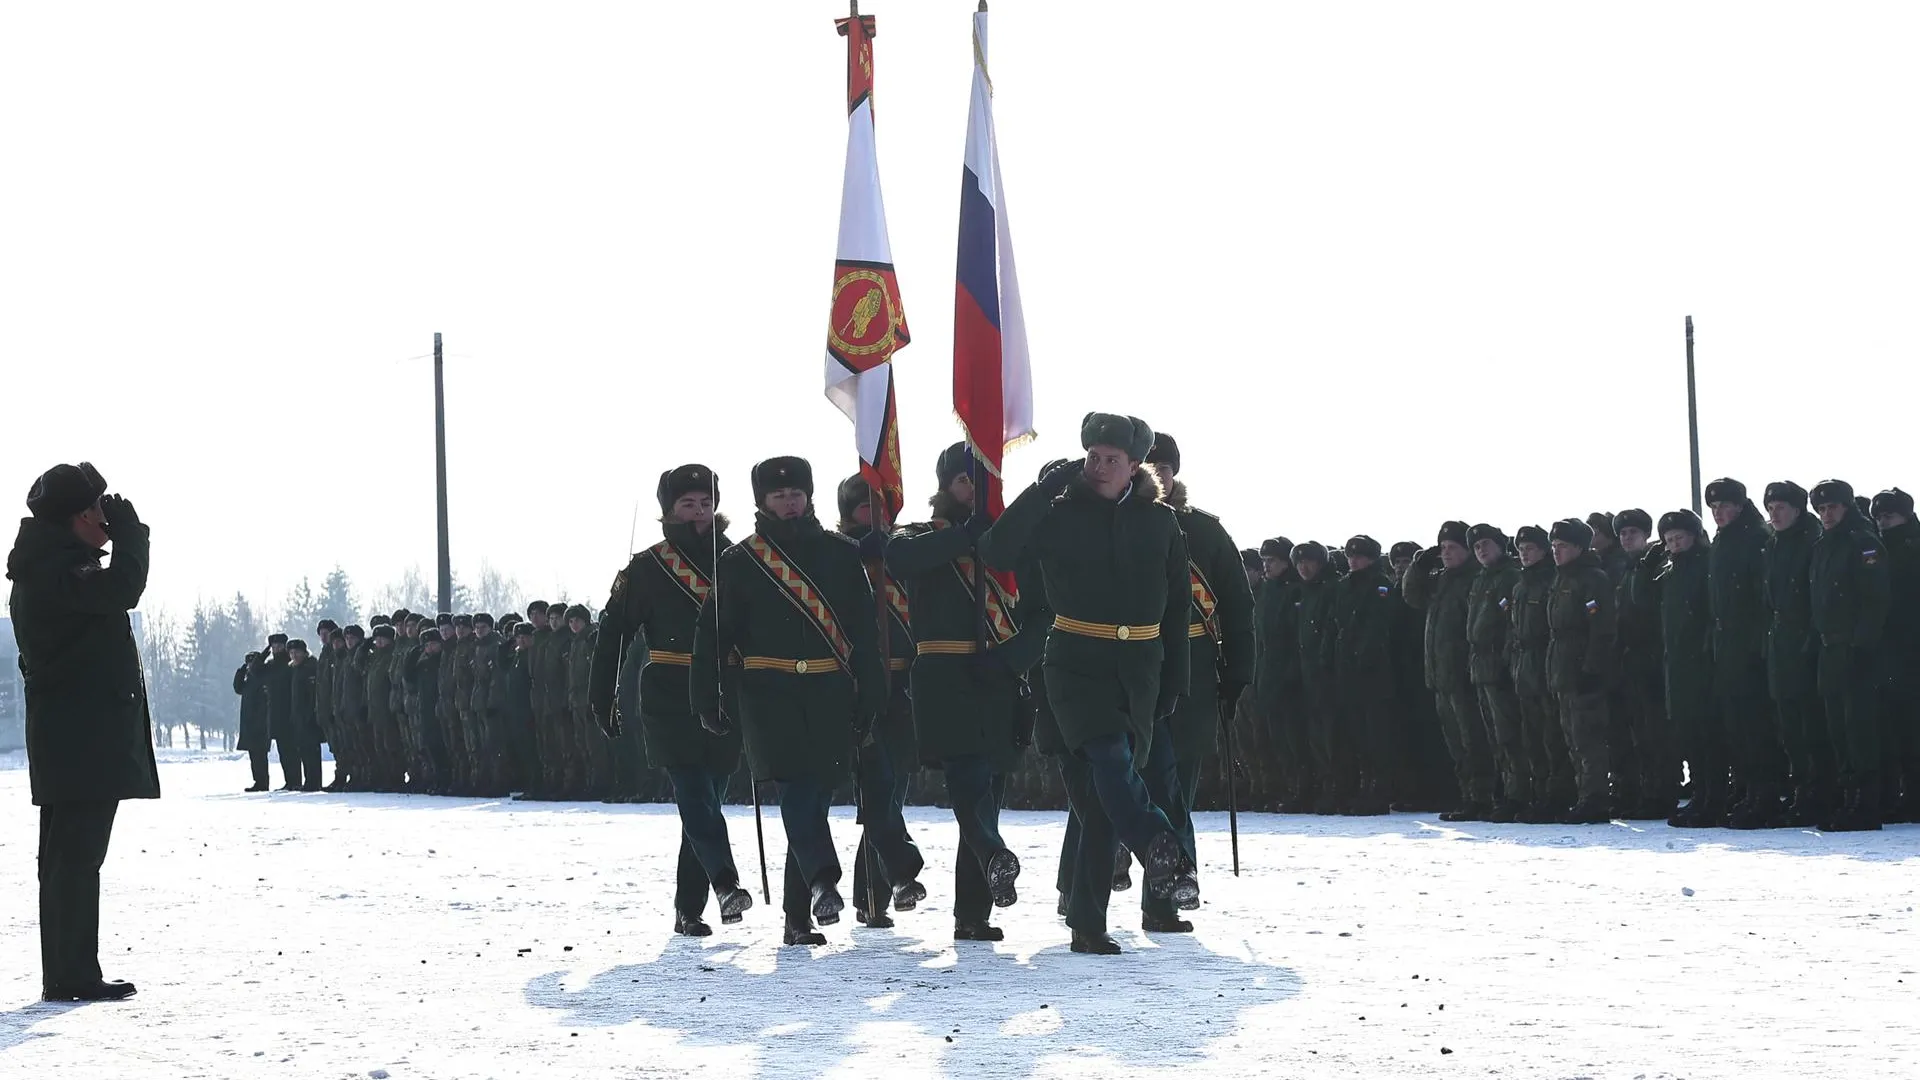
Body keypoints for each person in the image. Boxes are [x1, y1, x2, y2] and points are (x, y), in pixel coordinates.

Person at [977, 413, 1198, 955]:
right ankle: (1156, 842)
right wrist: (1037, 492)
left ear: (1133, 467)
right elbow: (996, 552)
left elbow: (1176, 608)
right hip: (1076, 665)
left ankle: (1087, 922)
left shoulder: (1160, 523)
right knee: (1109, 760)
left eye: (1112, 460)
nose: (1100, 467)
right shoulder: (1058, 514)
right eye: (1093, 456)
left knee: (1100, 803)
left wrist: (1174, 679)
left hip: (1140, 670)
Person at [692, 456, 885, 946]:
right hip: (767, 696)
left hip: (828, 692)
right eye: (778, 495)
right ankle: (824, 880)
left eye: (795, 493)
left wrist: (872, 693)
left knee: (813, 801)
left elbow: (864, 631)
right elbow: (711, 638)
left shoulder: (841, 555)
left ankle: (797, 920)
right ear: (761, 501)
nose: (788, 501)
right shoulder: (739, 561)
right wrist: (706, 697)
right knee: (799, 792)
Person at [887, 445, 1047, 939]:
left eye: (982, 483)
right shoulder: (921, 535)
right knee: (968, 781)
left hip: (997, 676)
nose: (973, 491)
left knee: (986, 792)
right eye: (963, 481)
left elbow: (1043, 613)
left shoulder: (1014, 546)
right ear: (945, 485)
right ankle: (994, 855)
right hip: (943, 677)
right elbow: (899, 559)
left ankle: (973, 912)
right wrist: (963, 537)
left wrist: (1010, 659)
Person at [8, 462, 155, 1001]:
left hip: (72, 738)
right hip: (80, 740)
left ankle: (69, 971)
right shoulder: (60, 572)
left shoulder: (47, 566)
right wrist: (133, 535)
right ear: (72, 519)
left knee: (67, 861)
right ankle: (72, 974)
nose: (103, 521)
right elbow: (122, 588)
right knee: (74, 860)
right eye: (95, 511)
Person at [591, 464, 756, 934]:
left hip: (724, 693)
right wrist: (602, 697)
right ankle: (725, 883)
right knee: (694, 794)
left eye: (705, 503)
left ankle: (689, 909)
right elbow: (613, 638)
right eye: (688, 505)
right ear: (669, 511)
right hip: (669, 693)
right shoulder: (646, 569)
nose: (699, 513)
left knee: (706, 803)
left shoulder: (738, 561)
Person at [836, 472, 930, 931]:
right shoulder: (842, 557)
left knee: (892, 791)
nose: (878, 519)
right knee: (877, 792)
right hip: (864, 685)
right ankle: (896, 874)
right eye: (866, 510)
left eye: (884, 510)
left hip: (907, 686)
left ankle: (872, 898)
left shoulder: (902, 554)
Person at [1808, 480, 1890, 831]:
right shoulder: (1824, 546)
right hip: (1830, 647)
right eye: (1822, 509)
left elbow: (1876, 599)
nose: (1827, 515)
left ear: (1847, 507)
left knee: (1859, 729)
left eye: (1833, 508)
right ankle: (1848, 798)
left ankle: (1867, 804)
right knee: (1838, 729)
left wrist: (1862, 645)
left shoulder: (1863, 544)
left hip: (1855, 649)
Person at [1704, 479, 1786, 829]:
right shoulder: (1723, 541)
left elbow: (1762, 599)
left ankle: (1764, 796)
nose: (1718, 513)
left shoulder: (1755, 539)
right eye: (1713, 508)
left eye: (1724, 506)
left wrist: (1756, 647)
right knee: (1737, 727)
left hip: (1750, 649)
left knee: (1756, 728)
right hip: (1728, 649)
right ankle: (1748, 791)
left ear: (1740, 506)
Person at [1637, 511, 1717, 828]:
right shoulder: (1669, 571)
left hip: (1700, 661)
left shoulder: (1704, 566)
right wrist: (1647, 565)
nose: (1673, 545)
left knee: (1707, 735)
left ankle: (1713, 796)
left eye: (1679, 538)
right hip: (1677, 663)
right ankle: (1700, 795)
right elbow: (1642, 600)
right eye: (1668, 540)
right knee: (1689, 736)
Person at [1401, 524, 1486, 820]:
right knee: (1456, 743)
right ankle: (1466, 796)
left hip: (1463, 675)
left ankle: (1481, 797)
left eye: (1453, 547)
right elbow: (1412, 595)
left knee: (1473, 740)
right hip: (1441, 676)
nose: (1447, 553)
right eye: (1443, 548)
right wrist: (1418, 567)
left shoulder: (1473, 580)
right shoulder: (1441, 581)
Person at [1761, 483, 1828, 826]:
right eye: (1771, 508)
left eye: (1782, 508)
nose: (1775, 514)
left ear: (1799, 510)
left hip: (1805, 640)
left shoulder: (1811, 542)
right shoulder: (1773, 545)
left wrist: (1809, 640)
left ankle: (1819, 793)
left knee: (1810, 723)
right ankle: (1802, 789)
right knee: (1788, 723)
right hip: (1780, 642)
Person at [1546, 518, 1616, 824]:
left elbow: (1602, 628)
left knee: (1588, 738)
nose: (1556, 552)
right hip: (1562, 669)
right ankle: (1583, 794)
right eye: (1553, 546)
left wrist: (1592, 668)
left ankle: (1596, 797)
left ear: (1579, 547)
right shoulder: (1561, 578)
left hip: (1581, 670)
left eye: (1562, 546)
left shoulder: (1592, 578)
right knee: (1572, 737)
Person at [1611, 510, 1674, 820]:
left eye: (1633, 532)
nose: (1626, 538)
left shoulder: (1655, 566)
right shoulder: (1629, 569)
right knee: (1641, 733)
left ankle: (1662, 792)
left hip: (1652, 658)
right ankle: (1649, 791)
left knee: (1657, 732)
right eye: (1622, 533)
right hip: (1633, 660)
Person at [1508, 525, 1573, 823]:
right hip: (1524, 667)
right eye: (1521, 549)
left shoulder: (1550, 580)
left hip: (1546, 663)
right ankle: (1540, 793)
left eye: (1530, 548)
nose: (1524, 553)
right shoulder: (1521, 584)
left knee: (1552, 737)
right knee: (1531, 736)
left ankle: (1557, 796)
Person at [1466, 524, 1526, 820]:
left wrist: (1505, 662)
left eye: (1486, 544)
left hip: (1499, 667)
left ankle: (1517, 794)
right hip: (1481, 667)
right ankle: (1502, 792)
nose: (1481, 550)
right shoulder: (1481, 580)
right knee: (1493, 736)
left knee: (1509, 735)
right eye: (1476, 547)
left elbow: (1511, 626)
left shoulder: (1509, 577)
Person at [1870, 488, 1920, 823]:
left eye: (1889, 516)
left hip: (1909, 646)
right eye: (1879, 518)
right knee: (1896, 727)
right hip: (1889, 648)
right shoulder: (1878, 548)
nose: (1884, 523)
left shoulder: (1910, 548)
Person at [1292, 541, 1344, 813]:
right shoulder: (1304, 592)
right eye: (1299, 562)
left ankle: (1336, 788)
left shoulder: (1331, 589)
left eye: (1309, 561)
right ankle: (1323, 786)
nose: (1303, 567)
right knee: (1315, 737)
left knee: (1331, 736)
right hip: (1307, 674)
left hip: (1327, 675)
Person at [285, 640, 324, 791]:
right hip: (298, 717)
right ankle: (309, 781)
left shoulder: (310, 667)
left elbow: (312, 694)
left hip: (309, 717)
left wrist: (309, 714)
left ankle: (314, 782)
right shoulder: (295, 669)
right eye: (292, 653)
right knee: (303, 750)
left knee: (311, 751)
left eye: (297, 652)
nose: (294, 655)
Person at [234, 651, 271, 792]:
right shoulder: (248, 680)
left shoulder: (261, 678)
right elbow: (237, 687)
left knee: (260, 756)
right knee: (254, 756)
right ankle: (258, 781)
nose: (250, 666)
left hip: (260, 724)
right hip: (249, 724)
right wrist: (242, 670)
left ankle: (263, 782)